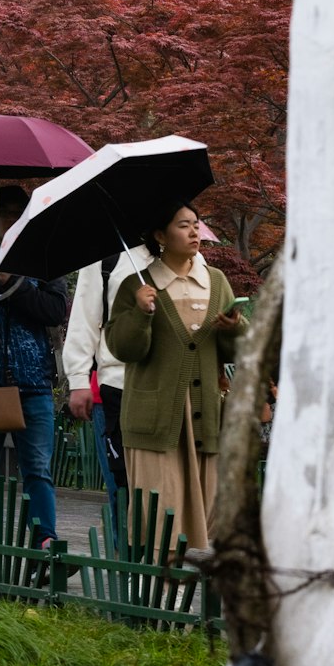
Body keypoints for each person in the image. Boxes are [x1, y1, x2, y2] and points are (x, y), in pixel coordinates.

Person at [104, 202, 246, 552]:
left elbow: (238, 351)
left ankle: (197, 588)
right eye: (184, 225)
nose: (195, 232)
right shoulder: (136, 286)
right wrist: (140, 313)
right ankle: (160, 589)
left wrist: (235, 329)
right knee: (160, 508)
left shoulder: (215, 281)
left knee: (209, 510)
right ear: (159, 235)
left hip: (205, 417)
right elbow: (124, 349)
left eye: (196, 224)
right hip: (155, 418)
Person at [0, 186, 68, 554]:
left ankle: (44, 540)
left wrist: (14, 283)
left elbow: (55, 311)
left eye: (18, 212)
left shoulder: (45, 259)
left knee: (38, 470)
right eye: (3, 212)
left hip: (34, 382)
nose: (10, 220)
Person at [63, 242, 154, 515]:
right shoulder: (105, 256)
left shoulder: (183, 254)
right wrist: (78, 378)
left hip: (169, 387)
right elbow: (85, 316)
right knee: (122, 488)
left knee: (164, 490)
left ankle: (161, 557)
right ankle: (122, 554)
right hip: (116, 385)